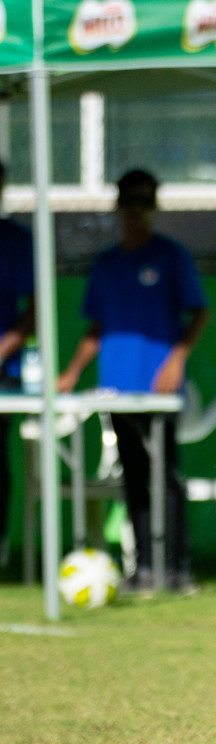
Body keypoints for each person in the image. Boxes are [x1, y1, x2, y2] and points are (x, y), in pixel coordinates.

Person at [58, 169, 210, 591]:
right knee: (136, 477)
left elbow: (199, 312)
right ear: (119, 206)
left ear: (154, 206)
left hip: (160, 391)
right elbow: (96, 329)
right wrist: (71, 372)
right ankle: (144, 567)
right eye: (130, 201)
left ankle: (178, 569)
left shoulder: (170, 256)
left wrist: (176, 360)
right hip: (118, 390)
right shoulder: (106, 264)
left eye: (145, 201)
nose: (137, 210)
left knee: (166, 475)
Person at [0, 158, 36, 560]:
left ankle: (1, 546)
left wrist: (4, 348)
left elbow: (36, 306)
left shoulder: (16, 240)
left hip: (4, 372)